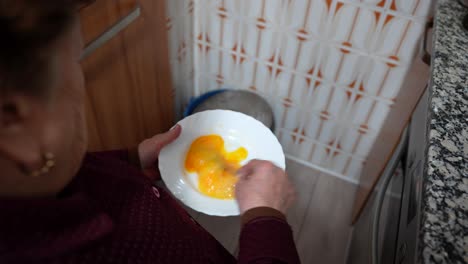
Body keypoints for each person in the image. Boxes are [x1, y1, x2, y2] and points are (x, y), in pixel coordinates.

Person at [0, 1, 299, 263]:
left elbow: (77, 175)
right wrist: (266, 219)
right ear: (14, 124)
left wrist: (127, 160)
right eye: (75, 59)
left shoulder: (27, 184)